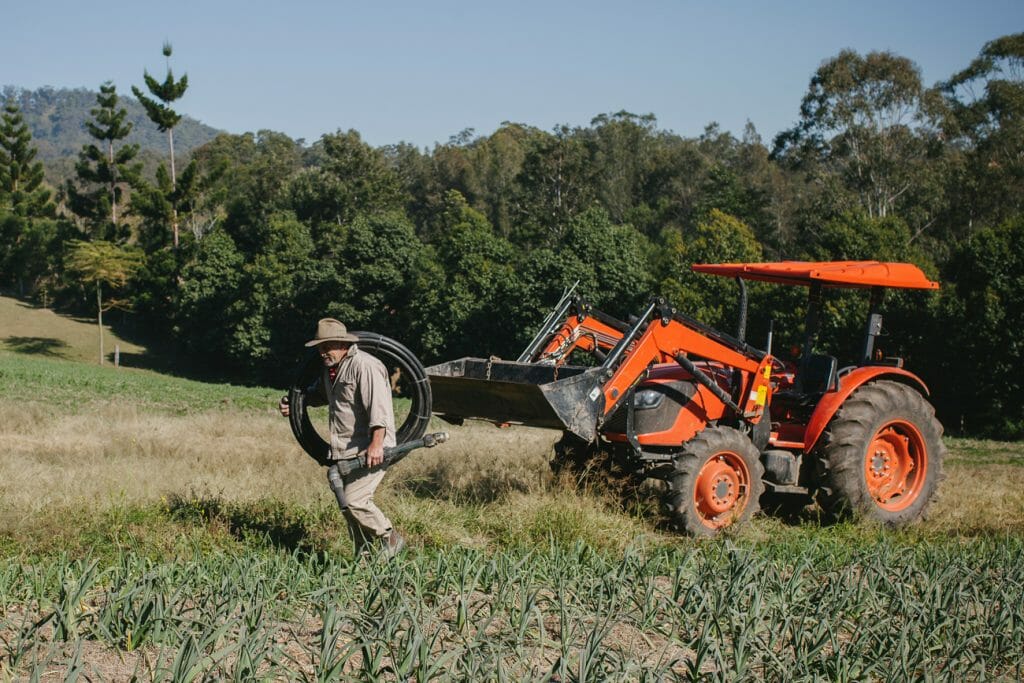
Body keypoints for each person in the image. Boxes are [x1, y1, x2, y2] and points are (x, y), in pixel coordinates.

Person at [280, 318, 405, 557]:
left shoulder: (365, 366)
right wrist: (295, 403)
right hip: (345, 450)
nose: (322, 352)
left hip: (369, 448)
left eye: (327, 346)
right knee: (347, 507)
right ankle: (364, 554)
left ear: (342, 343)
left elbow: (379, 409)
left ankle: (390, 537)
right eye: (319, 347)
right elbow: (319, 396)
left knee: (355, 500)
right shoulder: (331, 370)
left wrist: (377, 444)